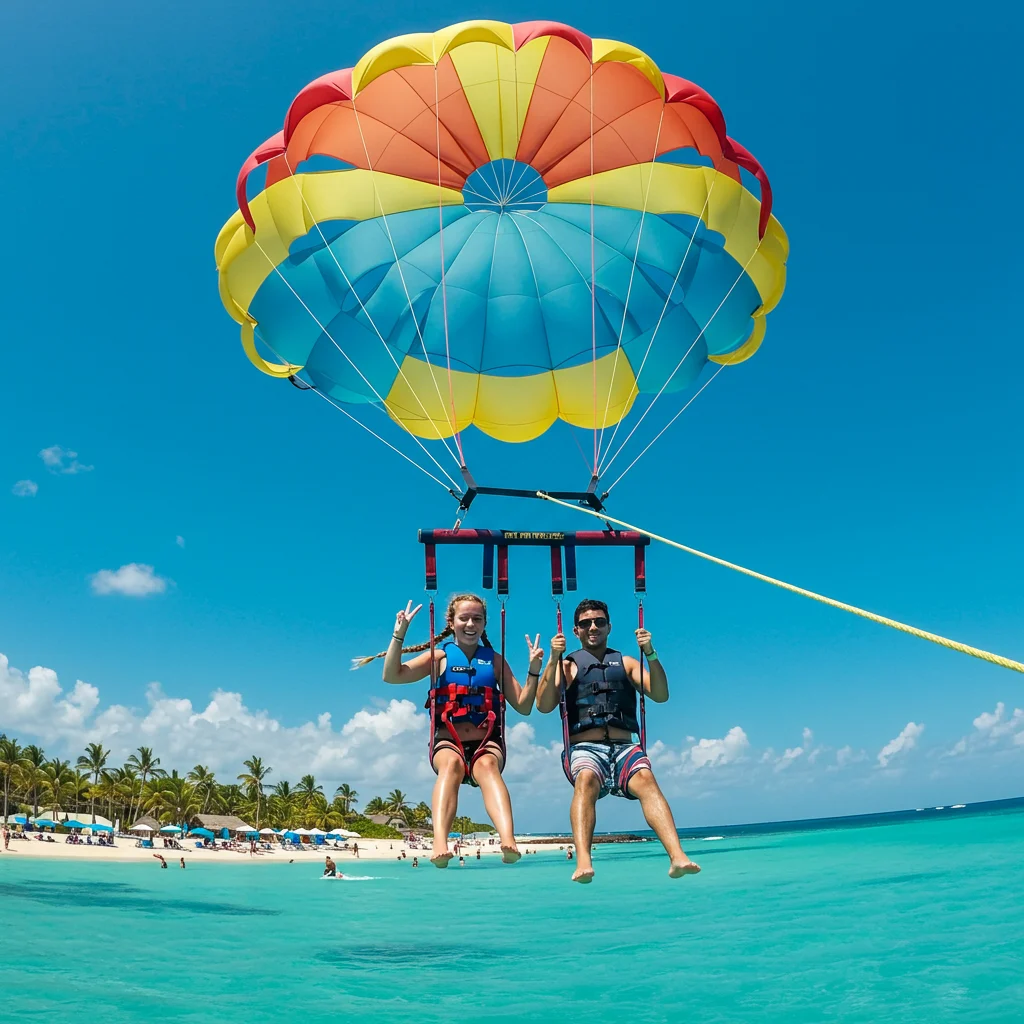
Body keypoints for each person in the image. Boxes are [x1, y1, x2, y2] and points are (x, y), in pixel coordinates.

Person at [367, 595, 542, 868]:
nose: (470, 624)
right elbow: (392, 675)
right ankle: (440, 843)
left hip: (486, 741)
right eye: (464, 618)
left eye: (477, 619)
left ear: (484, 624)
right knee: (451, 766)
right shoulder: (439, 657)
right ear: (451, 622)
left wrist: (533, 672)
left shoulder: (495, 662)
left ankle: (508, 840)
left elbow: (523, 705)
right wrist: (398, 635)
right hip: (449, 741)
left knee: (487, 766)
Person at [537, 598, 701, 884]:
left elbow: (660, 695)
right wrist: (553, 659)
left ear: (609, 627)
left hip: (625, 747)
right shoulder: (568, 666)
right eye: (586, 623)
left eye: (599, 622)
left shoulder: (626, 663)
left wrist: (650, 653)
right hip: (585, 748)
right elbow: (543, 704)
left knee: (647, 780)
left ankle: (677, 857)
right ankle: (584, 861)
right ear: (576, 631)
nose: (593, 627)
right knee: (586, 779)